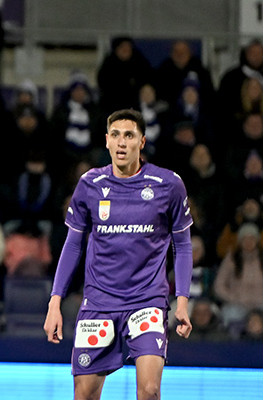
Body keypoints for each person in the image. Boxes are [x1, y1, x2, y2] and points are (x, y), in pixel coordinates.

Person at [44, 109, 194, 400]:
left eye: (129, 135)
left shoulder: (168, 184)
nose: (122, 142)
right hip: (99, 301)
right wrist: (55, 302)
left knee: (149, 391)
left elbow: (184, 245)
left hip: (147, 299)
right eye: (116, 135)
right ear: (107, 141)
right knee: (84, 394)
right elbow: (73, 245)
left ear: (142, 141)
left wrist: (183, 301)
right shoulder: (90, 184)